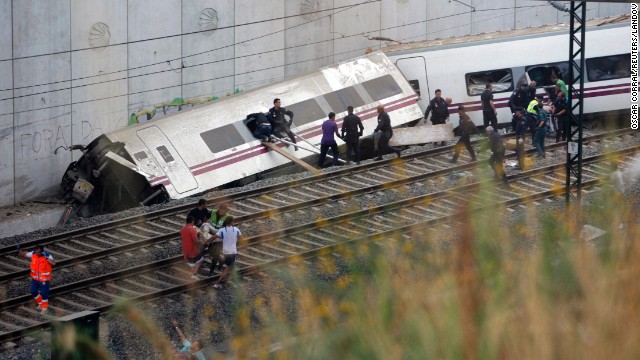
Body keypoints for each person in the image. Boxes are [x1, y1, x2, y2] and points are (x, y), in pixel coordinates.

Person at [19, 245, 56, 315]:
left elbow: (54, 263)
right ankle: (40, 303)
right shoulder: (33, 254)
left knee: (44, 294)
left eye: (39, 252)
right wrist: (21, 252)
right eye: (36, 252)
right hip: (35, 278)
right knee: (33, 291)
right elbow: (25, 255)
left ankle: (44, 309)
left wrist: (47, 258)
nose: (37, 254)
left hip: (44, 279)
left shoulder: (47, 255)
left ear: (42, 251)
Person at [212, 216, 242, 289]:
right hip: (232, 252)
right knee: (228, 269)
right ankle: (217, 283)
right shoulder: (236, 229)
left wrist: (206, 241)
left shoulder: (222, 230)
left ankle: (235, 283)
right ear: (231, 222)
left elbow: (214, 237)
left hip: (226, 252)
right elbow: (240, 238)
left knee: (231, 267)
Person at [200, 203, 230, 274]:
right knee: (207, 248)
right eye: (224, 210)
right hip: (211, 233)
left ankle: (213, 270)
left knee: (215, 253)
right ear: (220, 209)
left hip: (219, 236)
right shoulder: (212, 212)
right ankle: (216, 263)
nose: (225, 212)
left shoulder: (227, 217)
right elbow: (205, 219)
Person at [180, 216, 212, 280]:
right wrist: (202, 242)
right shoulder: (192, 229)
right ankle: (194, 274)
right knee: (200, 260)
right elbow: (195, 240)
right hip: (192, 248)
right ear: (192, 221)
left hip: (185, 248)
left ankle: (194, 275)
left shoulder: (182, 229)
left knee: (191, 262)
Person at [609, 160, 625, 229]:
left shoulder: (613, 174)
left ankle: (618, 222)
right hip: (622, 191)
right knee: (620, 206)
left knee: (615, 207)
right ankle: (621, 222)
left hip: (617, 193)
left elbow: (610, 182)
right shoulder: (619, 172)